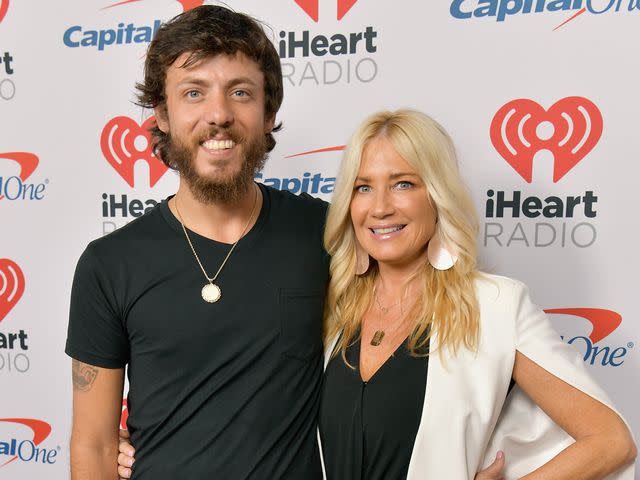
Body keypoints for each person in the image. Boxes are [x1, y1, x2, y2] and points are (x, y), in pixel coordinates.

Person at [117, 110, 637, 479]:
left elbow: (610, 441)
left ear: (438, 196)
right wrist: (144, 442)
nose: (380, 207)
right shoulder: (331, 303)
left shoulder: (494, 306)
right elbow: (245, 387)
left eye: (404, 183)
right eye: (364, 187)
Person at [66, 5, 329, 479]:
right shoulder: (109, 264)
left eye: (241, 93)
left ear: (268, 113)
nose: (219, 115)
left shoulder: (324, 233)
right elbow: (93, 444)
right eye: (194, 93)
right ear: (163, 114)